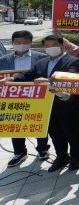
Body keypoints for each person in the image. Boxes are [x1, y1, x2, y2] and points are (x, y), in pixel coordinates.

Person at [0, 35, 79, 172]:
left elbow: (70, 78)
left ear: (62, 45)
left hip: (66, 103)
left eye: (54, 45)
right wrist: (12, 78)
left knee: (71, 133)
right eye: (47, 46)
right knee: (55, 133)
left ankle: (75, 158)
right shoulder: (41, 62)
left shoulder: (73, 61)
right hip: (45, 105)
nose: (51, 48)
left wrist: (49, 80)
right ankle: (62, 156)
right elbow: (27, 75)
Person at [0, 31, 49, 167]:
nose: (21, 45)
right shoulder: (3, 61)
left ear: (31, 42)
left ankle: (43, 149)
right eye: (18, 42)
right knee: (15, 123)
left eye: (25, 42)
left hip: (38, 96)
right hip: (13, 98)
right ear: (12, 43)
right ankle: (19, 152)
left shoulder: (42, 58)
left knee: (39, 120)